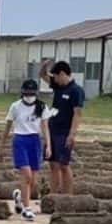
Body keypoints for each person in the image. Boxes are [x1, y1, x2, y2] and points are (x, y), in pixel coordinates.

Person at [0, 79, 53, 221]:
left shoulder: (42, 106)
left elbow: (45, 127)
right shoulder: (15, 106)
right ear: (22, 92)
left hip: (35, 141)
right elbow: (7, 127)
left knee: (33, 181)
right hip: (20, 140)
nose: (29, 95)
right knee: (27, 175)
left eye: (32, 93)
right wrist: (2, 147)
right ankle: (27, 209)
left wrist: (48, 145)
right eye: (26, 93)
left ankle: (19, 198)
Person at [46, 61, 84, 196]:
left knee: (64, 164)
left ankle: (68, 197)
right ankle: (53, 195)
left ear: (62, 74)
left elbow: (77, 113)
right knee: (53, 164)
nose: (54, 80)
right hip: (52, 130)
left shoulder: (76, 90)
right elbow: (43, 75)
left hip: (64, 132)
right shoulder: (58, 86)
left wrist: (72, 134)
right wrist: (45, 66)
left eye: (56, 76)